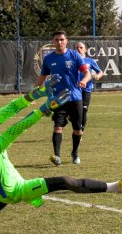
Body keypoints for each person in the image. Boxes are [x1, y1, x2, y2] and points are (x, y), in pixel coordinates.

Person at [0, 83, 122, 234]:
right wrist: (42, 110)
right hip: (14, 190)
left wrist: (36, 93)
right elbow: (13, 132)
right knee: (62, 181)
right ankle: (114, 187)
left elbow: (11, 109)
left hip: (4, 185)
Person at [35, 30, 91, 166]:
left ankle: (75, 153)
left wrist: (84, 80)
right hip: (58, 99)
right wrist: (33, 94)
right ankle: (57, 156)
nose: (59, 42)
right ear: (53, 42)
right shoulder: (49, 59)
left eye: (61, 39)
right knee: (57, 127)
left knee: (78, 129)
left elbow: (87, 73)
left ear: (66, 41)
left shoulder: (75, 56)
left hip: (75, 97)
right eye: (56, 40)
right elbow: (41, 78)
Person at [72, 41, 105, 164]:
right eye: (77, 48)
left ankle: (81, 131)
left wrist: (98, 76)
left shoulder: (90, 61)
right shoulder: (73, 61)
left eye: (81, 47)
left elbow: (100, 72)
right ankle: (74, 122)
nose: (79, 49)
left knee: (84, 110)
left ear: (85, 50)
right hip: (74, 90)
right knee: (75, 112)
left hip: (86, 89)